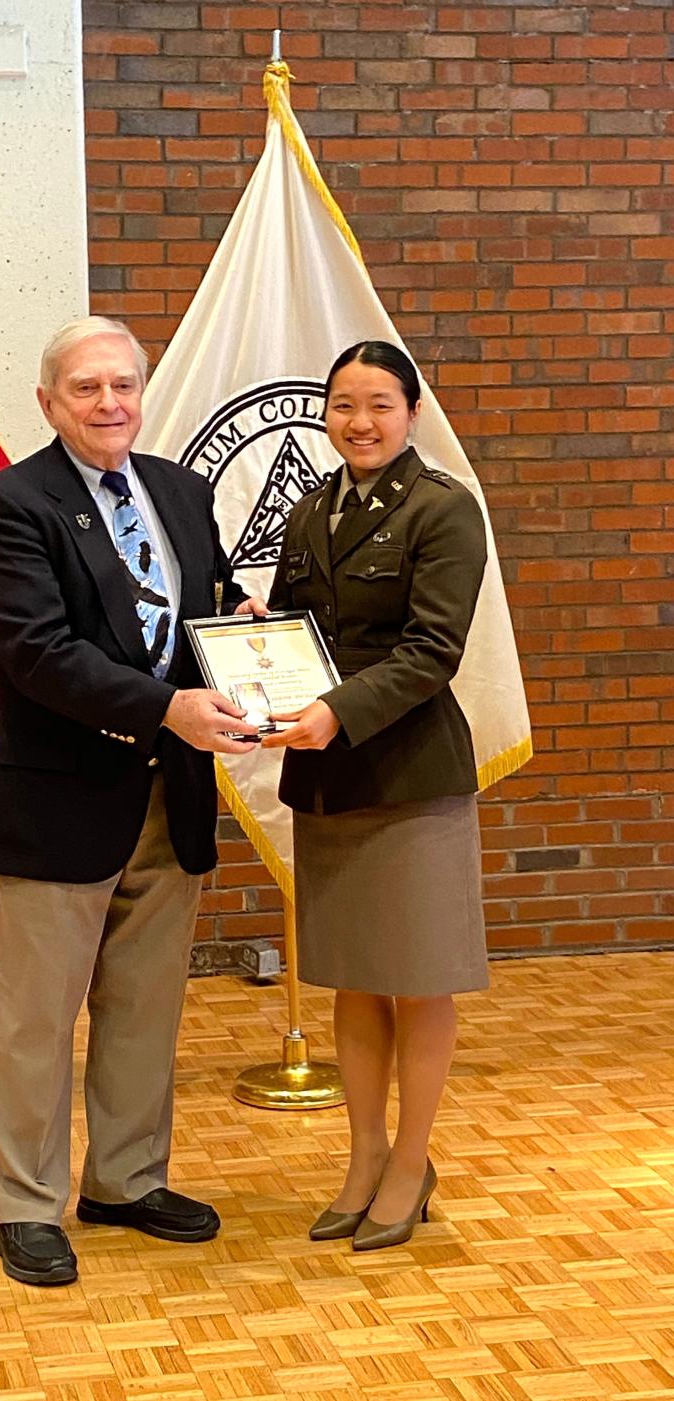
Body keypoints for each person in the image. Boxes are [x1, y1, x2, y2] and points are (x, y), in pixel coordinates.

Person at [0, 315, 267, 1287]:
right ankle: (24, 1205)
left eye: (123, 386)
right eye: (87, 388)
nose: (109, 405)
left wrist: (248, 633)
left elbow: (196, 617)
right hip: (59, 802)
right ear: (49, 401)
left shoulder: (182, 491)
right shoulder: (12, 504)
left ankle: (127, 1181)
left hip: (167, 797)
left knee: (144, 1010)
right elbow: (39, 653)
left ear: (143, 394)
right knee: (35, 1022)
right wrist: (169, 707)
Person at [263, 340, 488, 1252]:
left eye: (380, 404)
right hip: (328, 777)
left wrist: (333, 709)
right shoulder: (312, 508)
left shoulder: (443, 510)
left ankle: (410, 1160)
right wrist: (257, 636)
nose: (360, 421)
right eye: (343, 404)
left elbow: (434, 651)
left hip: (410, 776)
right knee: (353, 977)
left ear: (413, 412)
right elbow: (297, 627)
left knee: (419, 978)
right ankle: (361, 1157)